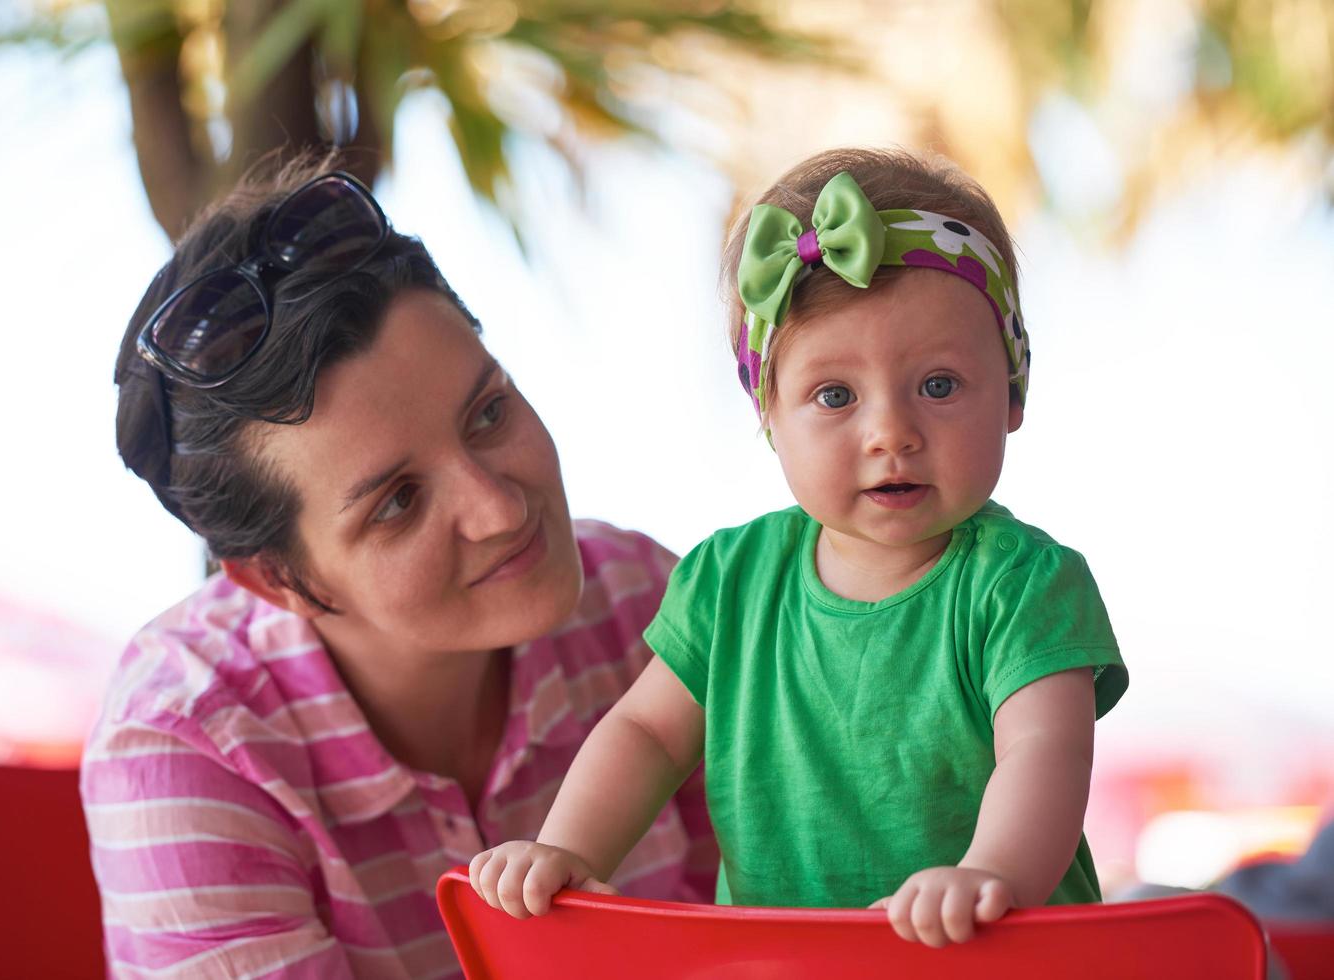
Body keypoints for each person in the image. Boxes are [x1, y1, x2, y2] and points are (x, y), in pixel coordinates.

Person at [469, 147, 1130, 948]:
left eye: (940, 385)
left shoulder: (1024, 584)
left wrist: (989, 872)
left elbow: (1045, 750)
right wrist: (568, 847)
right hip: (784, 962)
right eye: (835, 395)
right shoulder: (730, 580)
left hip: (997, 957)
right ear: (771, 417)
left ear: (1014, 389)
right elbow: (644, 734)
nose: (891, 432)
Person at [83, 156, 716, 979]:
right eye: (397, 502)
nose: (500, 509)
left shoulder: (644, 601)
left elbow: (790, 917)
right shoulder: (189, 742)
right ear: (277, 581)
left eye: (489, 413)